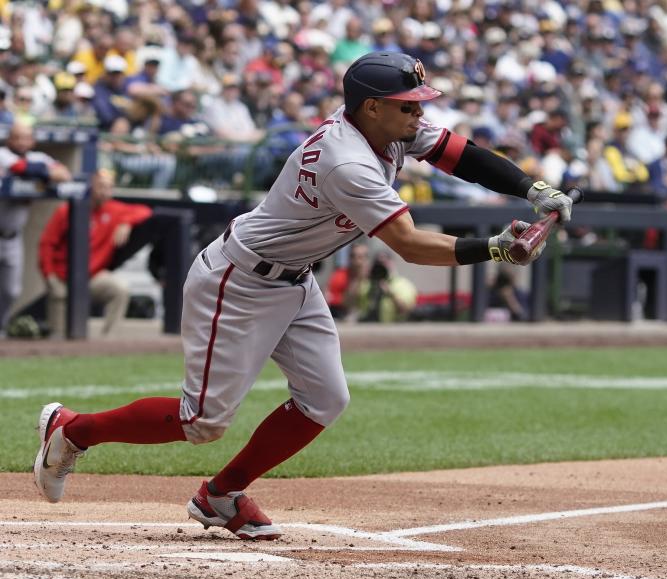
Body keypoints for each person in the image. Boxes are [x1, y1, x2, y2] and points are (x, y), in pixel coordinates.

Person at [32, 52, 575, 541]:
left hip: (295, 278)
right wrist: (498, 250)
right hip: (240, 282)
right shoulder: (348, 162)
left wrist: (532, 188)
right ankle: (72, 429)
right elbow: (408, 245)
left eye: (417, 105)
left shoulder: (385, 129)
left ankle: (219, 496)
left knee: (325, 399)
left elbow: (461, 154)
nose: (418, 115)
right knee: (201, 422)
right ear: (371, 108)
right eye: (407, 106)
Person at [38, 169, 152, 339]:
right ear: (91, 186)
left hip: (93, 275)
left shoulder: (115, 210)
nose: (105, 192)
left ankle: (108, 341)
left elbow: (145, 211)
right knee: (59, 335)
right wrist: (49, 275)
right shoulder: (66, 210)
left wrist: (126, 222)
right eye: (101, 187)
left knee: (119, 290)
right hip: (63, 275)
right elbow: (47, 244)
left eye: (109, 187)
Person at [0, 120, 72, 337]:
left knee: (11, 291)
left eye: (26, 137)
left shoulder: (37, 157)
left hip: (13, 237)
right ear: (10, 138)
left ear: (32, 141)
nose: (22, 142)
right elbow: (17, 167)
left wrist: (37, 172)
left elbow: (64, 174)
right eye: (17, 137)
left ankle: (0, 327)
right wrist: (41, 174)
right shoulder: (2, 153)